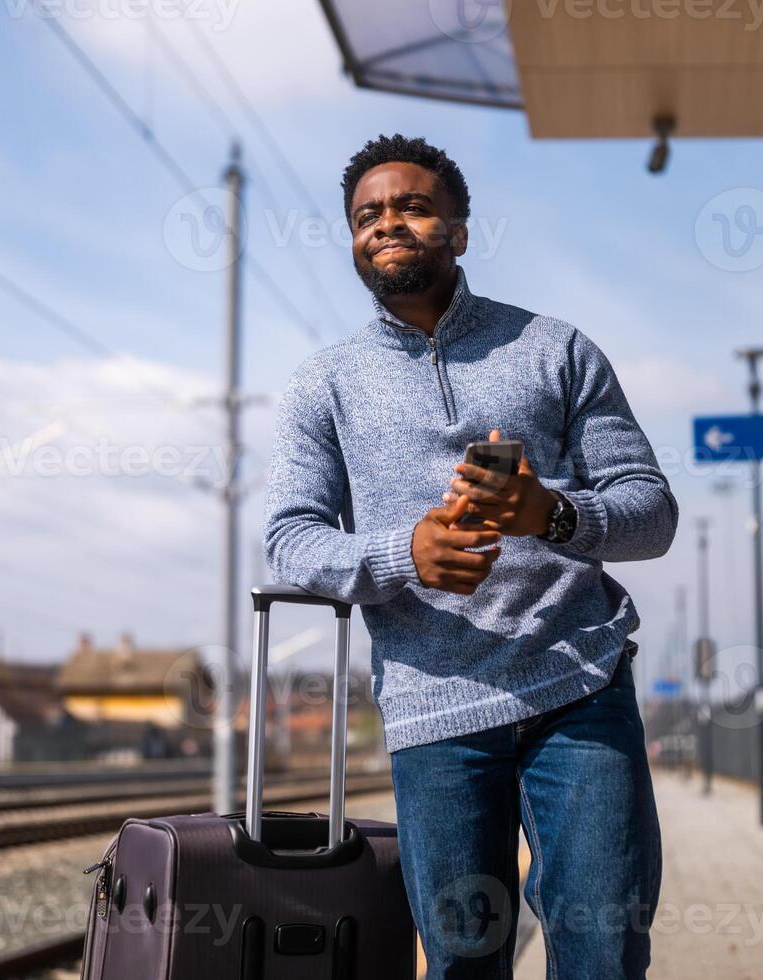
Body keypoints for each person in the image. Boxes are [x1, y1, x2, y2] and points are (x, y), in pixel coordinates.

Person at [262, 134, 677, 978]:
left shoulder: (556, 348)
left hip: (578, 686)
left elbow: (653, 512)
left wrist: (548, 513)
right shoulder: (324, 384)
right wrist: (402, 553)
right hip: (432, 711)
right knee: (460, 961)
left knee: (604, 949)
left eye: (413, 206)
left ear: (458, 228)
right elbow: (288, 540)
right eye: (366, 215)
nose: (388, 224)